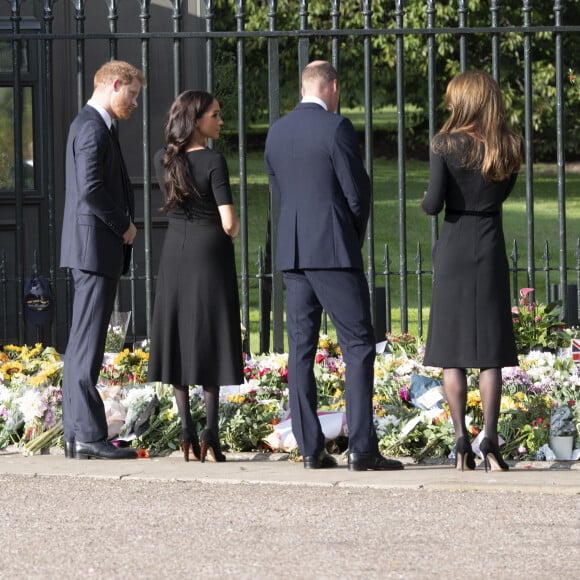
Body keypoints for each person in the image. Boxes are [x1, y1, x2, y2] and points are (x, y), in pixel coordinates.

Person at [264, 60, 403, 471]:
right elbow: (357, 193)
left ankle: (310, 448)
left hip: (292, 252)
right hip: (332, 252)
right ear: (333, 87)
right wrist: (349, 238)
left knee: (300, 350)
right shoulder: (337, 127)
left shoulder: (277, 131)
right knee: (358, 345)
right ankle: (362, 447)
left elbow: (282, 189)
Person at [421, 70, 522, 472]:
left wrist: (425, 202)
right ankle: (491, 441)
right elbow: (503, 193)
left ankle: (461, 437)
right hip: (490, 242)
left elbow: (434, 203)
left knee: (452, 351)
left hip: (456, 244)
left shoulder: (444, 144)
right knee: (491, 351)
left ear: (462, 100)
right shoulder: (510, 145)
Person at [148, 90, 244, 463]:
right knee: (210, 332)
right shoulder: (214, 161)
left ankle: (186, 430)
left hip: (175, 251)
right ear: (196, 120)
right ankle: (211, 433)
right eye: (215, 115)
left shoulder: (164, 159)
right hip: (209, 253)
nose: (221, 121)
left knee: (178, 332)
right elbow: (229, 222)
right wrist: (232, 232)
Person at [60, 60, 145, 460]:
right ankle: (89, 436)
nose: (134, 104)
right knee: (87, 347)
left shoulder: (94, 126)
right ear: (115, 85)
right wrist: (124, 226)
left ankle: (77, 435)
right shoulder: (93, 128)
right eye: (132, 95)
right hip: (94, 250)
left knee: (82, 346)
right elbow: (91, 190)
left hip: (91, 250)